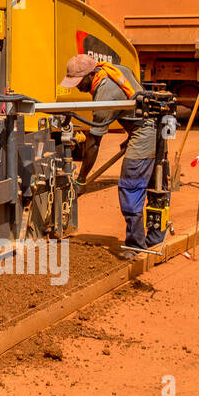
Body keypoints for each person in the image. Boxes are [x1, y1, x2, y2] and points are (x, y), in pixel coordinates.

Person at [59, 54, 163, 257]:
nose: (78, 88)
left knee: (130, 185)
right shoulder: (114, 69)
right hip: (152, 125)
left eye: (79, 82)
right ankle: (156, 237)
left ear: (91, 75)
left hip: (145, 132)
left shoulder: (104, 93)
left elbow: (93, 143)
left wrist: (81, 180)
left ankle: (135, 245)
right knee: (155, 186)